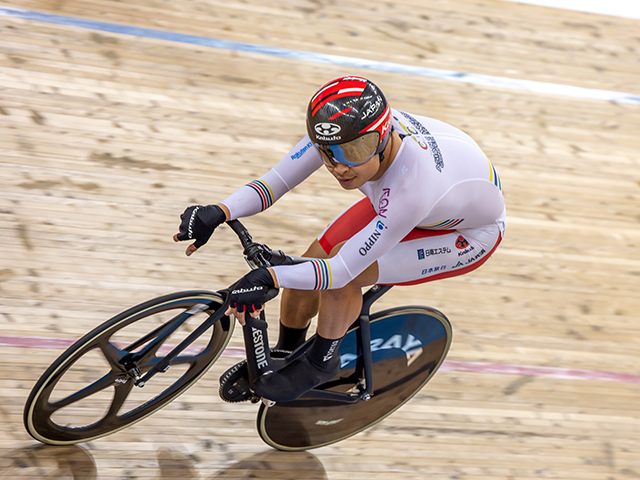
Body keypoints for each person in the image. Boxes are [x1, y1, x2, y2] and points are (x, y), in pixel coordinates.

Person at [174, 75, 506, 403]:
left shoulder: (413, 184)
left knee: (342, 273)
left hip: (466, 234)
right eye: (327, 153)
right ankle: (289, 351)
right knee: (312, 257)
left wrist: (268, 276)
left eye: (355, 151)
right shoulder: (341, 129)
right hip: (411, 206)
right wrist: (219, 210)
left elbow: (342, 271)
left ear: (383, 135)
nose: (339, 167)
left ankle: (321, 363)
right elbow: (273, 184)